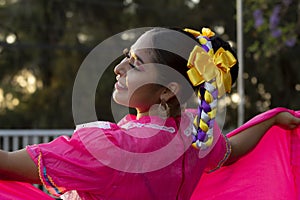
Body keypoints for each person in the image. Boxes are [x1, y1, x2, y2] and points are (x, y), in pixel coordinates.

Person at [0, 27, 299, 200]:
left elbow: (8, 165)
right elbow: (233, 150)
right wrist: (271, 119)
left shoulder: (115, 148)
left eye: (136, 63)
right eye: (126, 58)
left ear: (168, 90)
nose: (118, 68)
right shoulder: (195, 136)